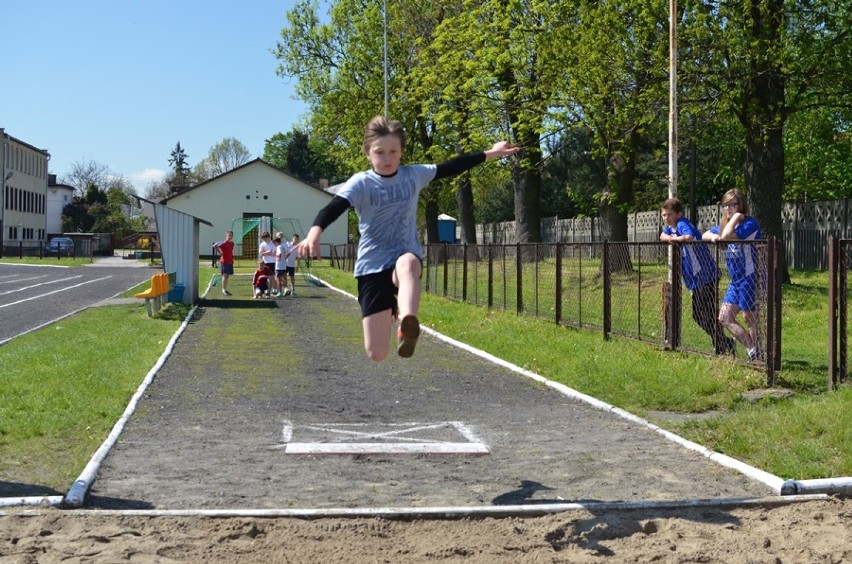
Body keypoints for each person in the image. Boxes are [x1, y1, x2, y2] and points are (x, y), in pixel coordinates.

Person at [295, 115, 520, 361]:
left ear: (402, 152)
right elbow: (332, 209)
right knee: (377, 353)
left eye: (393, 151)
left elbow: (452, 166)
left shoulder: (413, 175)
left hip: (403, 255)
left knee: (409, 263)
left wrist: (492, 153)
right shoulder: (361, 183)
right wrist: (314, 234)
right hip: (371, 267)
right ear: (368, 153)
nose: (388, 158)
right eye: (380, 152)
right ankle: (392, 308)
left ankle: (407, 322)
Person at [660, 198, 735, 355]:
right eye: (664, 215)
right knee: (703, 315)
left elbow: (688, 237)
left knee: (701, 315)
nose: (666, 218)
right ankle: (722, 343)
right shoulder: (672, 228)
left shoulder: (681, 224)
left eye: (670, 214)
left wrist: (675, 240)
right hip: (695, 279)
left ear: (679, 214)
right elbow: (662, 236)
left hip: (706, 275)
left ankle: (723, 343)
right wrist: (670, 238)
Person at [702, 189, 764, 361]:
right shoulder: (725, 225)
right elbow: (704, 234)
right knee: (724, 317)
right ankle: (753, 350)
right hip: (736, 280)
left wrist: (736, 218)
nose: (728, 209)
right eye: (725, 205)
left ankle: (758, 356)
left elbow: (728, 236)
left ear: (741, 205)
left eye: (732, 205)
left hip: (750, 278)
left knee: (748, 317)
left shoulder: (749, 224)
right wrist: (715, 236)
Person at [212, 230, 234, 296]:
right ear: (226, 235)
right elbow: (214, 245)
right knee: (225, 275)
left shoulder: (232, 243)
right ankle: (223, 290)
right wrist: (220, 252)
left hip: (230, 261)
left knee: (227, 276)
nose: (230, 237)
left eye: (231, 235)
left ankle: (225, 288)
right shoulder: (224, 242)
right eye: (228, 235)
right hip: (224, 261)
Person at [258, 231, 279, 295]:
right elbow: (261, 253)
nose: (265, 239)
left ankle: (274, 290)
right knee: (267, 277)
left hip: (273, 262)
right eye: (263, 238)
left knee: (272, 277)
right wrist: (267, 252)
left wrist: (268, 253)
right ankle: (267, 290)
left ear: (269, 237)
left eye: (265, 238)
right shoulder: (262, 244)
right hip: (265, 263)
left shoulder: (273, 243)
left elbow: (275, 253)